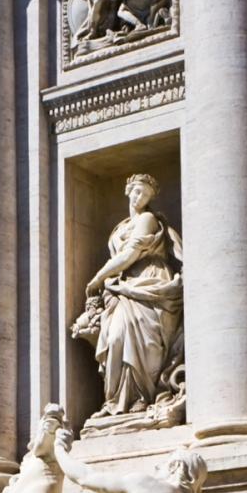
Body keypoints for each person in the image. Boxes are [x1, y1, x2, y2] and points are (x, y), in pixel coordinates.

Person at [72, 173, 184, 426]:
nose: (139, 198)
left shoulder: (148, 219)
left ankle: (140, 399)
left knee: (137, 339)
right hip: (122, 286)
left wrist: (99, 277)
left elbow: (133, 252)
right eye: (136, 192)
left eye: (144, 195)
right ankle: (116, 402)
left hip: (149, 280)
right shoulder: (120, 226)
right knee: (114, 338)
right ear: (127, 191)